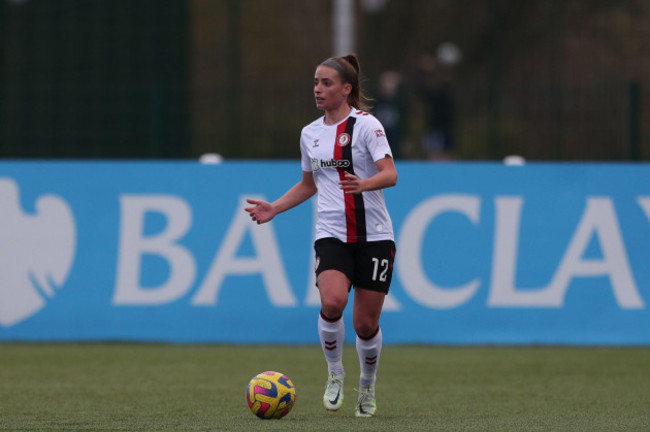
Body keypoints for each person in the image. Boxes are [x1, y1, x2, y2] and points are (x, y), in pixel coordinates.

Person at [245, 53, 397, 418]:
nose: (318, 89)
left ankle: (367, 386)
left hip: (375, 236)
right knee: (331, 303)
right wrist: (274, 208)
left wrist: (365, 183)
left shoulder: (367, 126)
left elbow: (390, 174)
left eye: (326, 83)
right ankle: (335, 374)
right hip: (331, 233)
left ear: (346, 89)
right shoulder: (310, 134)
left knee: (365, 324)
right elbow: (307, 185)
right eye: (316, 82)